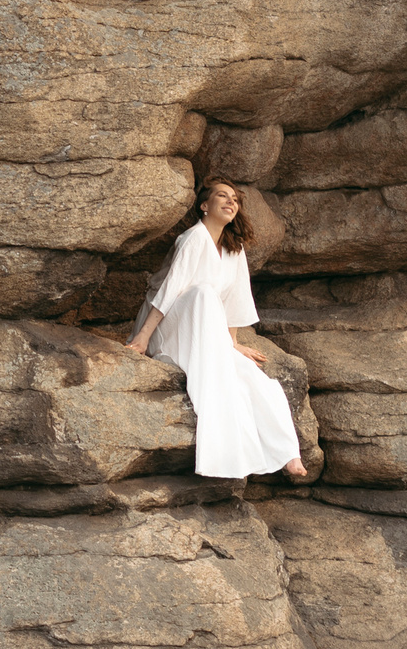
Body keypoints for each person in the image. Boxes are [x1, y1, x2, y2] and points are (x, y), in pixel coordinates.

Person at [125, 176, 308, 481]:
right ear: (204, 206)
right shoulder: (193, 238)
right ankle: (223, 453)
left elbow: (236, 301)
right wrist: (142, 337)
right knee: (203, 293)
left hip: (207, 331)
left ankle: (288, 453)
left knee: (253, 376)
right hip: (171, 326)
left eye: (235, 199)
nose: (230, 202)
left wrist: (232, 344)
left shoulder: (234, 249)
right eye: (222, 196)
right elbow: (170, 290)